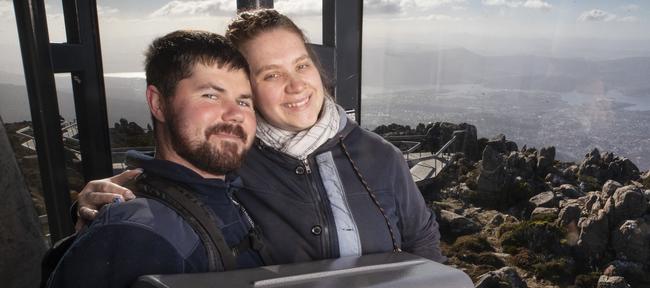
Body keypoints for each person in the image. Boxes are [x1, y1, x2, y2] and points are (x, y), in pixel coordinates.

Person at [76, 9, 444, 265]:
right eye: (271, 75)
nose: (297, 84)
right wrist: (95, 207)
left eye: (301, 65)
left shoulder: (380, 157)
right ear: (246, 90)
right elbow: (172, 198)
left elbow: (424, 245)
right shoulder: (225, 162)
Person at [47, 30, 263, 288]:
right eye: (210, 95)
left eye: (244, 101)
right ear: (158, 102)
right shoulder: (133, 234)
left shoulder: (234, 200)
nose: (234, 114)